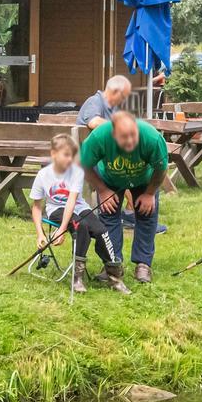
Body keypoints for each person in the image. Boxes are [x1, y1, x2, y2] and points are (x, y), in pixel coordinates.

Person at [78, 112, 172, 285]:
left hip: (145, 180)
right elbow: (84, 164)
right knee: (108, 215)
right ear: (114, 134)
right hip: (109, 179)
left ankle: (143, 265)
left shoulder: (152, 138)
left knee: (147, 215)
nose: (129, 141)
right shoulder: (99, 137)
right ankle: (112, 264)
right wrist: (102, 190)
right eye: (123, 137)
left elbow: (161, 169)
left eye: (132, 135)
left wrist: (150, 193)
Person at [32, 132, 128, 294]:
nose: (70, 159)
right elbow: (36, 207)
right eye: (66, 155)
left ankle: (115, 277)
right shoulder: (43, 175)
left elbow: (72, 201)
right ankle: (77, 278)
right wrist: (40, 234)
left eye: (72, 156)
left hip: (78, 207)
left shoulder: (76, 172)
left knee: (101, 230)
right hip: (56, 209)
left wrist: (62, 229)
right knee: (80, 225)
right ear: (53, 154)